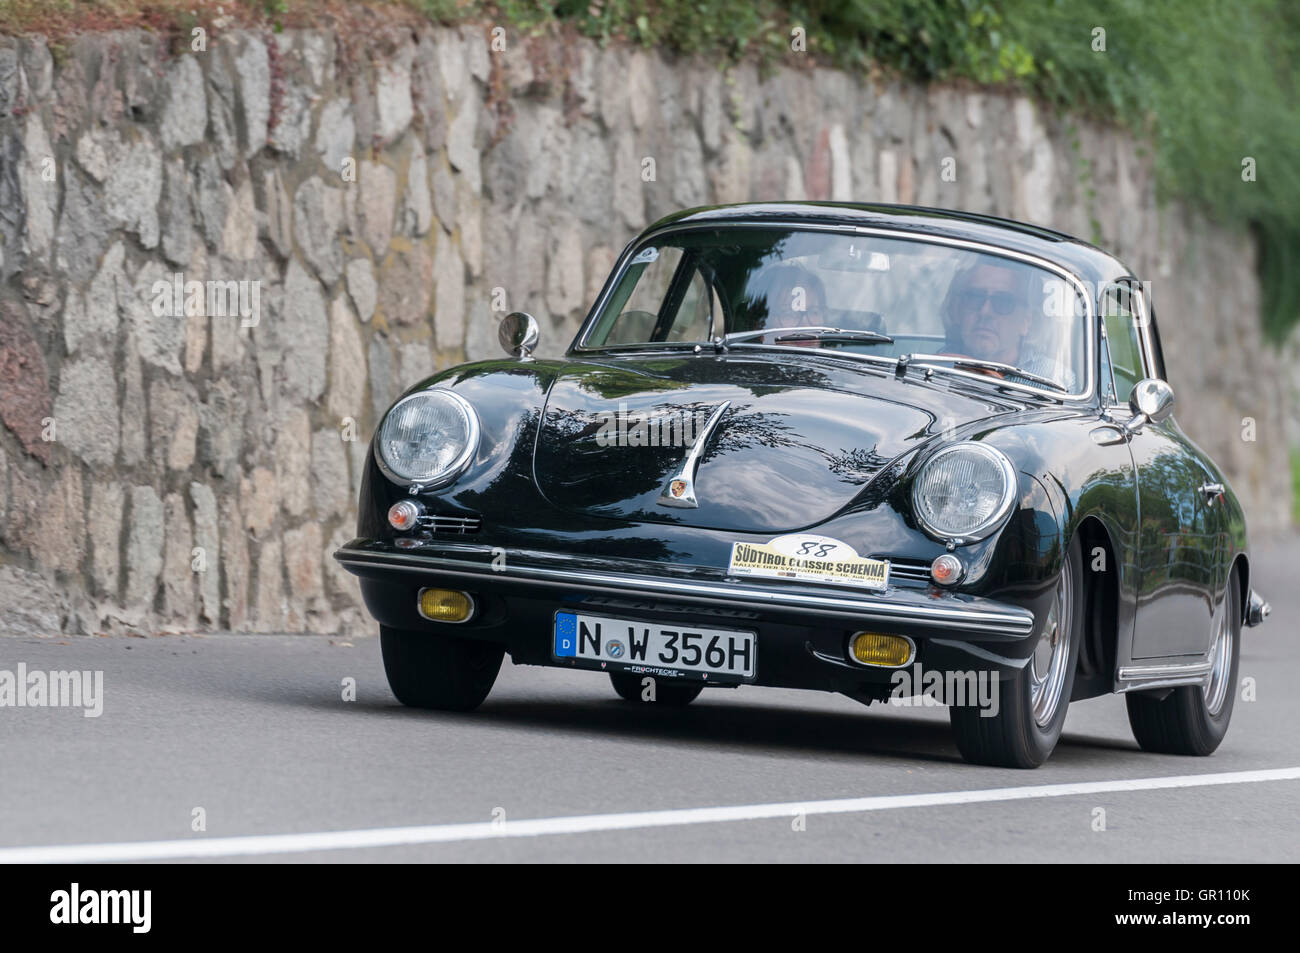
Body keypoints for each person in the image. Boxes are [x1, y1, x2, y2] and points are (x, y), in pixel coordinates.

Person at [939, 258, 1077, 390]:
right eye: (975, 297)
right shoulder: (931, 366)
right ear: (957, 310)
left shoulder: (1055, 380)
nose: (985, 311)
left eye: (1003, 302)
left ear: (1027, 321)